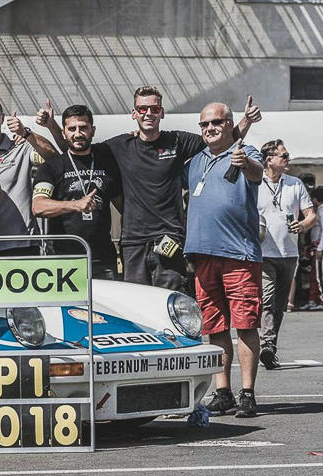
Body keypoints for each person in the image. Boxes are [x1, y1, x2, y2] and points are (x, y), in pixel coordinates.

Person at [39, 87, 261, 290]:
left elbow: (222, 141)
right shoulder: (120, 146)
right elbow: (77, 145)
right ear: (133, 113)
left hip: (169, 238)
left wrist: (246, 121)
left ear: (161, 112)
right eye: (142, 109)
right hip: (133, 242)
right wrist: (51, 126)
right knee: (136, 309)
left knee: (171, 304)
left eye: (154, 108)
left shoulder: (177, 141)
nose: (148, 113)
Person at [183, 102, 264, 418]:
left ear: (230, 123)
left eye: (216, 122)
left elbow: (256, 173)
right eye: (204, 124)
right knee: (214, 328)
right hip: (203, 256)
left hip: (238, 255)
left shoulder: (246, 151)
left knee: (245, 325)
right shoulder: (195, 161)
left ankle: (247, 393)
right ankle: (223, 392)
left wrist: (244, 162)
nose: (209, 129)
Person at [32, 105, 123, 279]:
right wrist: (75, 205)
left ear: (93, 130)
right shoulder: (52, 167)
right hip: (63, 260)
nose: (78, 133)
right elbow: (38, 207)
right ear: (64, 133)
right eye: (72, 129)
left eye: (83, 127)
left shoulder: (108, 165)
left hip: (102, 260)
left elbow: (124, 208)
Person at [0, 96, 59, 256]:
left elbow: (54, 160)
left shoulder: (21, 147)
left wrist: (26, 133)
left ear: (2, 119)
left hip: (24, 244)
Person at [257, 140, 316, 370]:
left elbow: (310, 215)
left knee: (279, 305)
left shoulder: (295, 183)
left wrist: (302, 225)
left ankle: (270, 346)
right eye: (284, 155)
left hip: (288, 253)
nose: (288, 159)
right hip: (263, 254)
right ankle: (266, 345)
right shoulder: (254, 183)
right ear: (269, 159)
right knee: (268, 299)